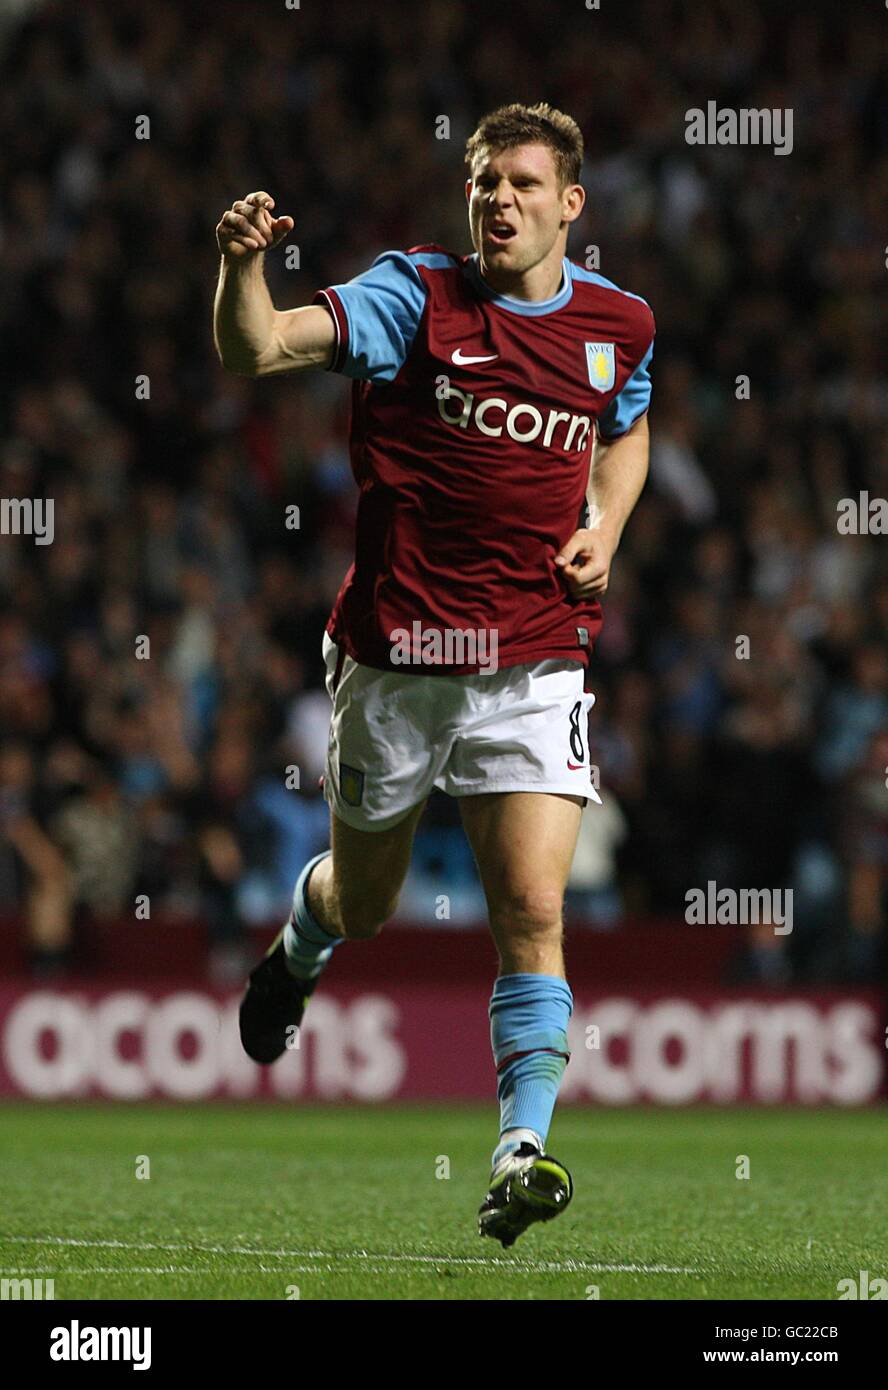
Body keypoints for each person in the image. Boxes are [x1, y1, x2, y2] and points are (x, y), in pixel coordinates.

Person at [214, 102, 654, 1248]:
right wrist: (240, 270)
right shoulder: (413, 296)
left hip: (538, 659)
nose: (497, 200)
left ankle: (521, 1148)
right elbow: (255, 350)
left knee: (533, 907)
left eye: (520, 182)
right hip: (397, 659)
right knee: (368, 905)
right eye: (482, 182)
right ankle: (300, 946)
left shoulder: (621, 325)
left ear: (570, 204)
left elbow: (628, 426)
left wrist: (605, 525)